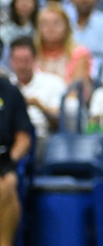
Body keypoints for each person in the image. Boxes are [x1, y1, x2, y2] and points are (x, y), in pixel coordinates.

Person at [9, 37, 66, 142]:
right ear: (10, 60)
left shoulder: (53, 82)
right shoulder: (5, 85)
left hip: (43, 137)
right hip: (9, 136)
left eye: (26, 60)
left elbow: (61, 119)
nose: (22, 66)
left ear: (35, 59)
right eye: (17, 60)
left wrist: (39, 105)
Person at [0, 77, 33, 246]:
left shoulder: (10, 93)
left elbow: (24, 138)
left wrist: (10, 160)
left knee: (7, 184)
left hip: (3, 159)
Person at [35, 3, 93, 87]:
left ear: (66, 27)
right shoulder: (32, 54)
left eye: (56, 23)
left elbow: (77, 90)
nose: (50, 28)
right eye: (45, 23)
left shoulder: (80, 54)